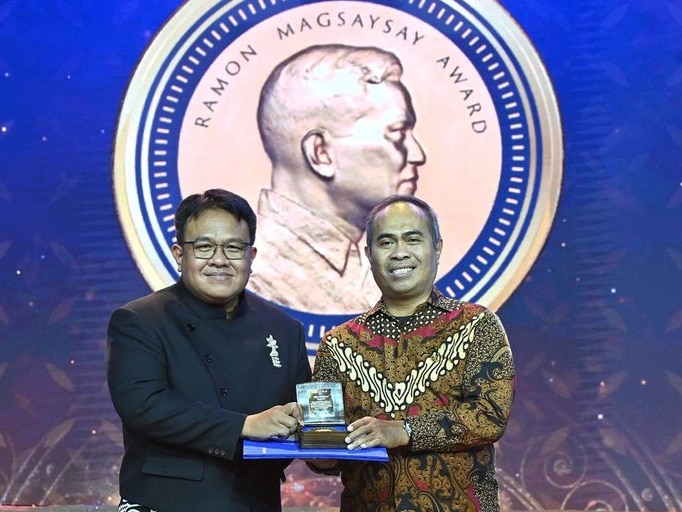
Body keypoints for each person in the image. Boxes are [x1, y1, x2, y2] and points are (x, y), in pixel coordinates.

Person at [106, 189, 312, 512]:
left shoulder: (285, 330)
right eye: (204, 247)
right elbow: (144, 404)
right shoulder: (139, 321)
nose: (219, 259)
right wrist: (245, 425)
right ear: (179, 254)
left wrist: (323, 435)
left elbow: (306, 416)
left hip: (255, 502)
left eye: (233, 247)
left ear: (251, 256)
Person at [308, 195, 516, 511]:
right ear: (369, 254)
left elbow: (489, 415)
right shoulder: (337, 345)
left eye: (413, 239)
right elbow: (324, 457)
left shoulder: (477, 325)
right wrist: (313, 445)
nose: (399, 252)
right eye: (386, 242)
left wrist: (403, 430)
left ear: (437, 248)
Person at [247, 44, 427, 314]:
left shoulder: (366, 266)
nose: (418, 155)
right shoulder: (256, 277)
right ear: (321, 154)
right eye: (398, 133)